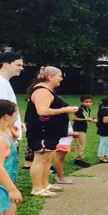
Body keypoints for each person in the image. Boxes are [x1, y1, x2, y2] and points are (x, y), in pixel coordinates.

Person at [25, 66, 78, 198]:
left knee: (47, 158)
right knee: (41, 158)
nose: (61, 78)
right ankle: (37, 188)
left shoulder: (47, 91)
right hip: (41, 131)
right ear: (50, 77)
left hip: (49, 132)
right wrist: (65, 110)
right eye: (59, 76)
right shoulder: (42, 91)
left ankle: (45, 184)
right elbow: (42, 111)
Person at [72, 95, 96, 167]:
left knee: (82, 144)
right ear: (82, 102)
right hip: (78, 128)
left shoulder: (87, 109)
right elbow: (73, 118)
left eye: (90, 102)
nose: (88, 103)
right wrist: (86, 120)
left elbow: (86, 118)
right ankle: (79, 159)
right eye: (86, 102)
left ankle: (79, 158)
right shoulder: (80, 109)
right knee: (80, 145)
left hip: (83, 128)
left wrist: (91, 120)